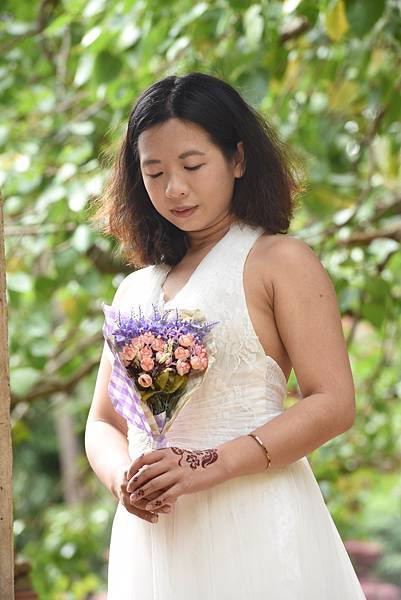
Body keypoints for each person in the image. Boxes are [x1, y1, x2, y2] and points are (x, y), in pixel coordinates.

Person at [85, 72, 366, 599]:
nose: (174, 188)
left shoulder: (279, 261)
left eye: (192, 165)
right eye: (154, 172)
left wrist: (206, 465)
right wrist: (125, 480)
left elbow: (333, 402)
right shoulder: (134, 290)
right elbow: (102, 422)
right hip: (153, 540)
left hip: (255, 520)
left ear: (237, 159)